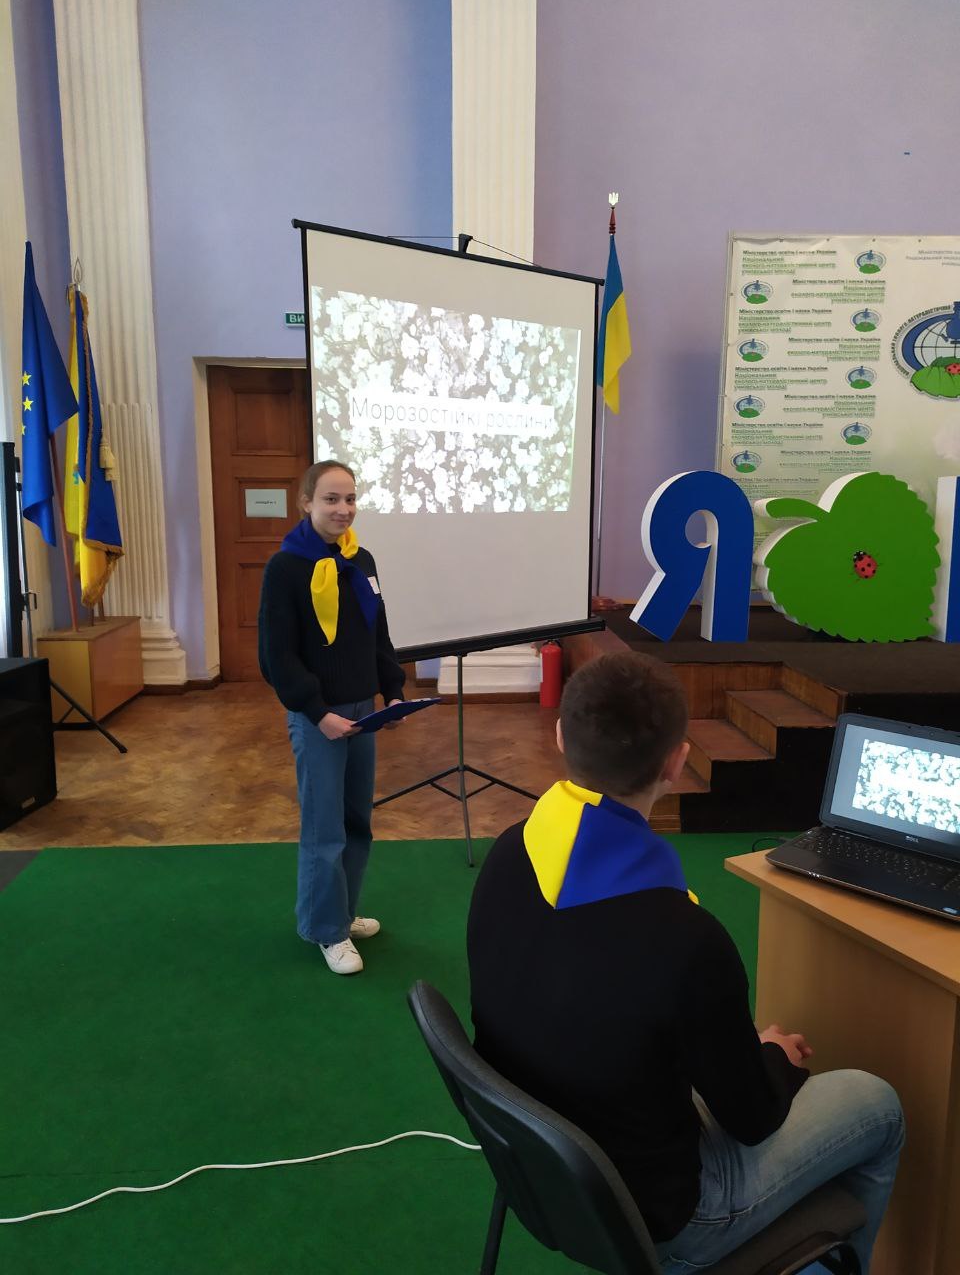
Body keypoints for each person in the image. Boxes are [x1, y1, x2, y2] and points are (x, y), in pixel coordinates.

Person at [467, 651, 903, 1272]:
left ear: (561, 736)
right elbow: (752, 1118)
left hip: (545, 1175)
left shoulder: (509, 853)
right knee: (878, 1104)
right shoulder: (687, 939)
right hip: (663, 1220)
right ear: (677, 762)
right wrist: (773, 1057)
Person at [258, 459, 405, 976]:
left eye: (350, 499)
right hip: (317, 716)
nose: (344, 509)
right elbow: (277, 657)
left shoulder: (361, 559)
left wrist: (393, 690)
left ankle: (342, 912)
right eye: (331, 499)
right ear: (306, 503)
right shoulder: (285, 568)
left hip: (363, 711)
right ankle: (326, 930)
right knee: (325, 829)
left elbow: (377, 633)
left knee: (357, 820)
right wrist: (318, 713)